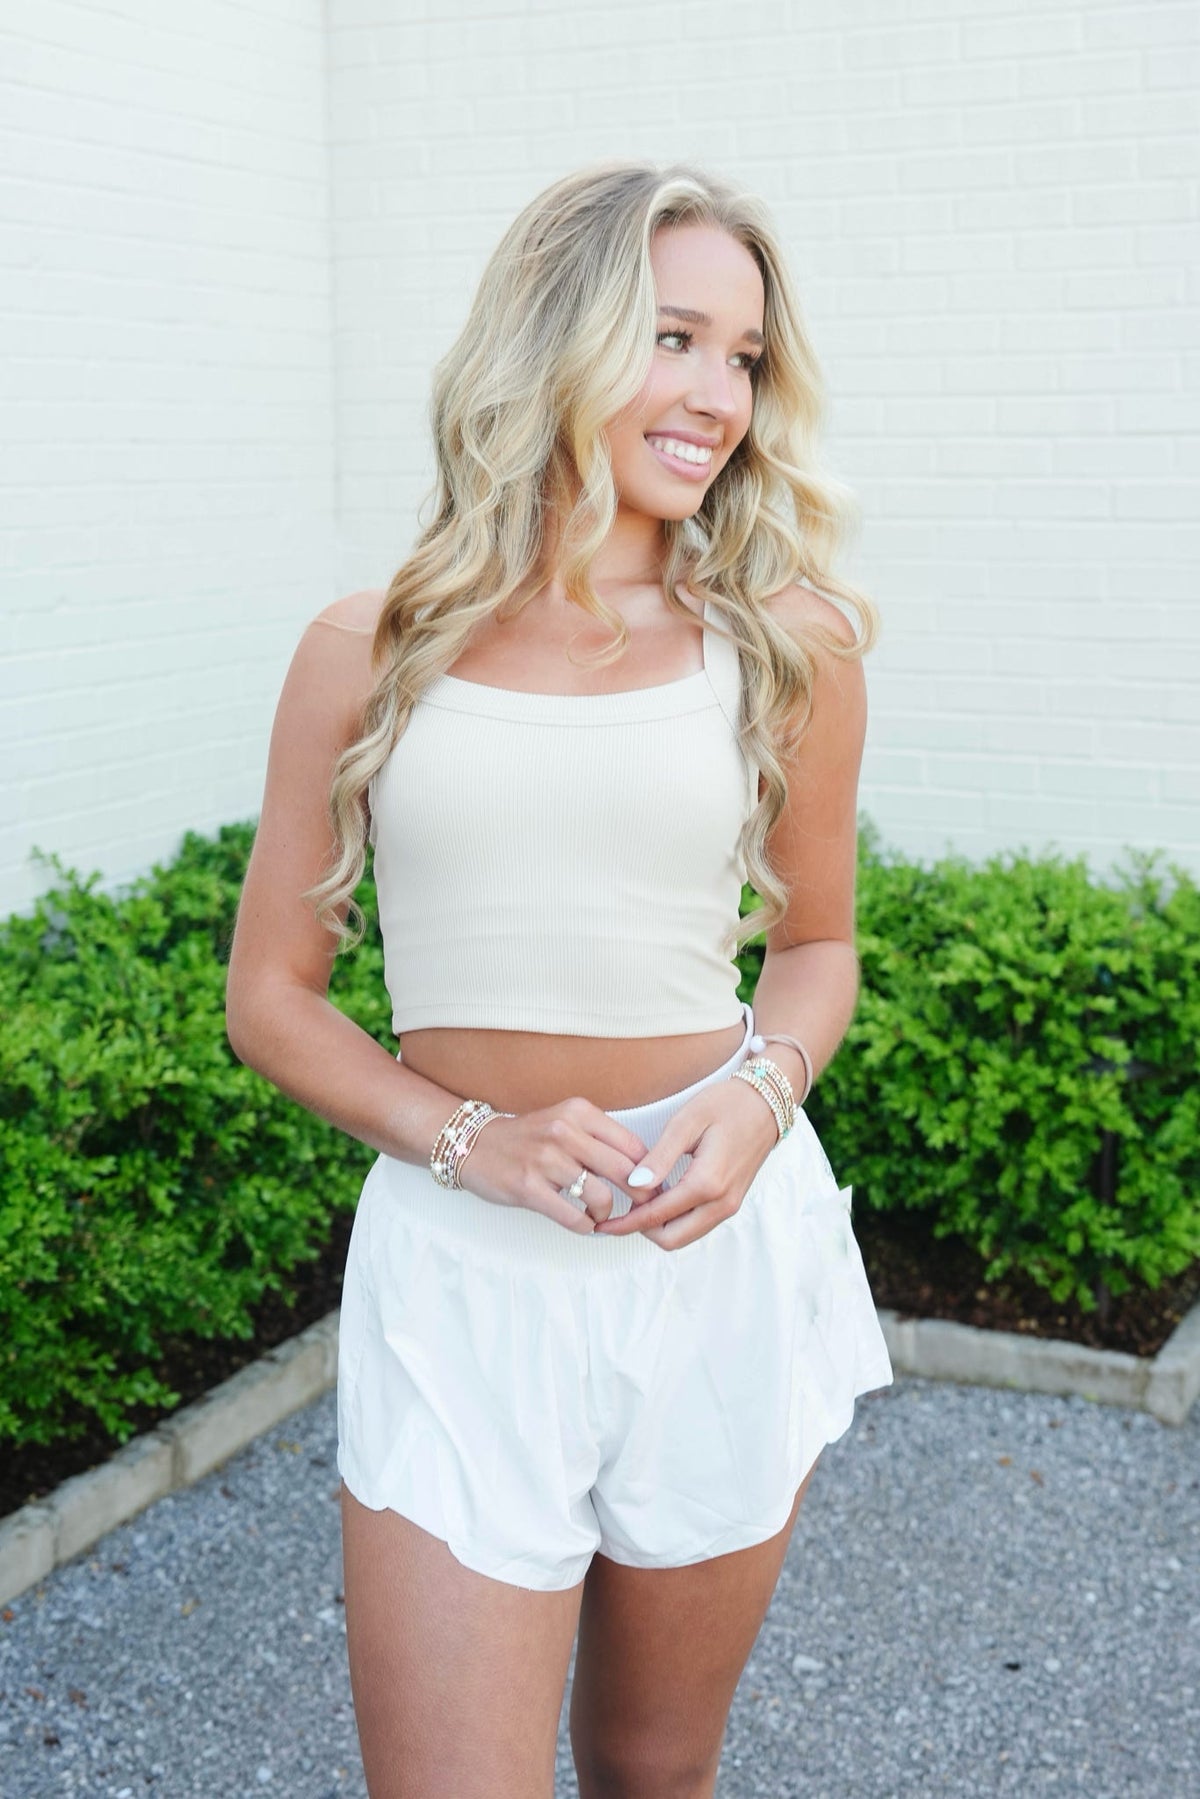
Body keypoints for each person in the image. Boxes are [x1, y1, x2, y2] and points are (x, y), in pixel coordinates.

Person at [226, 161, 894, 1799]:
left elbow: (816, 945)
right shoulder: (371, 648)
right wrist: (478, 1143)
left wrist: (761, 1099)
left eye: (744, 356)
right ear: (556, 337)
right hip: (461, 1281)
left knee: (654, 1772)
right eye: (674, 337)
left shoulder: (787, 642)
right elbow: (273, 999)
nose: (719, 394)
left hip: (716, 1263)